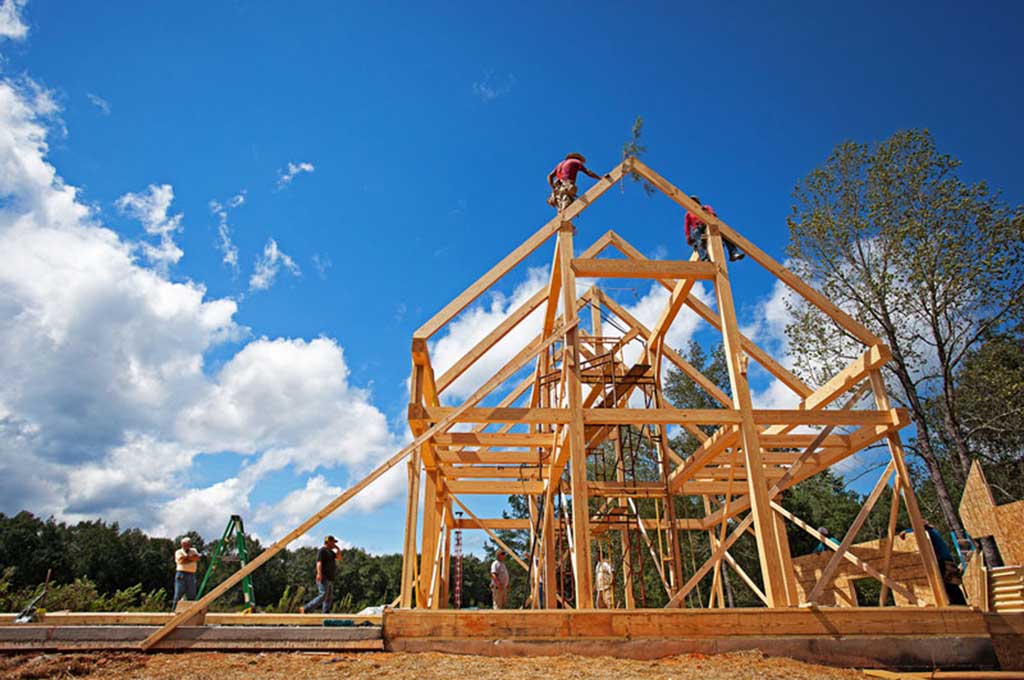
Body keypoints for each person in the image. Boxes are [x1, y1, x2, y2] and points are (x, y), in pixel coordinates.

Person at [684, 196, 744, 262]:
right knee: (698, 239)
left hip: (708, 224)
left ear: (698, 202)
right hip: (698, 228)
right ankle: (705, 258)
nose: (693, 203)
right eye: (691, 201)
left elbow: (714, 217)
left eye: (694, 201)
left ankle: (733, 253)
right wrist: (688, 237)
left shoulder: (706, 207)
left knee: (726, 235)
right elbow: (687, 226)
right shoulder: (688, 214)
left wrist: (707, 213)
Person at [300, 535, 343, 614]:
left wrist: (338, 549)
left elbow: (339, 558)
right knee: (323, 595)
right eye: (333, 542)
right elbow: (319, 562)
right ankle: (306, 608)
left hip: (329, 578)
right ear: (329, 542)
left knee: (329, 598)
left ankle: (325, 613)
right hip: (324, 576)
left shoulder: (331, 552)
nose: (334, 544)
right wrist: (319, 573)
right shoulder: (322, 551)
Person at [173, 537, 201, 607]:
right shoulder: (178, 552)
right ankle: (174, 611)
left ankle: (190, 613)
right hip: (181, 574)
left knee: (191, 595)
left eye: (186, 544)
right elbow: (181, 561)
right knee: (178, 595)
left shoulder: (194, 550)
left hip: (191, 574)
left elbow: (197, 558)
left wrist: (187, 558)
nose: (185, 546)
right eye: (183, 544)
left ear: (189, 544)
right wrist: (191, 558)